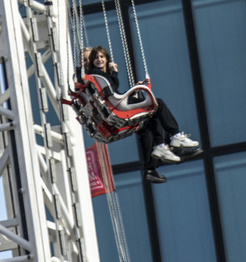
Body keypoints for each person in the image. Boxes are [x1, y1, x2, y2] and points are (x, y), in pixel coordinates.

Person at [82, 46, 198, 185]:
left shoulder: (96, 77)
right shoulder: (95, 75)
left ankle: (151, 167)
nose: (96, 60)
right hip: (116, 107)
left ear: (106, 59)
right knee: (157, 104)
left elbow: (112, 92)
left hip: (113, 106)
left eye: (101, 57)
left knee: (147, 123)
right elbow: (112, 94)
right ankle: (174, 137)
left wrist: (114, 75)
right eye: (91, 58)